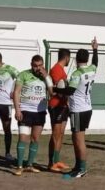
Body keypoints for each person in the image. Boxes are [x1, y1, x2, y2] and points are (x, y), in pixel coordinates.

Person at [54, 37, 98, 178]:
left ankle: (82, 169)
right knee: (76, 138)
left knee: (79, 140)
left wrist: (57, 89)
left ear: (76, 59)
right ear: (87, 58)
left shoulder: (76, 74)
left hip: (78, 110)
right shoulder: (92, 69)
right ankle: (78, 166)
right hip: (87, 108)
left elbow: (70, 91)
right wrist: (95, 49)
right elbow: (95, 62)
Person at [13, 55, 54, 176]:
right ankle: (19, 166)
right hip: (25, 111)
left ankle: (30, 165)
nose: (38, 68)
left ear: (43, 65)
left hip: (40, 112)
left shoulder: (46, 77)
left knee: (35, 139)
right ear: (31, 65)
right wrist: (17, 110)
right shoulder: (23, 75)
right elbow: (16, 92)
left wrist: (46, 76)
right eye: (35, 66)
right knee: (23, 138)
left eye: (40, 65)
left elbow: (52, 93)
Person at [48, 48, 71, 172]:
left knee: (61, 133)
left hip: (63, 105)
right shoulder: (56, 69)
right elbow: (58, 89)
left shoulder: (61, 70)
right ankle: (52, 162)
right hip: (56, 105)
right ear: (67, 58)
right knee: (55, 134)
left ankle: (57, 160)